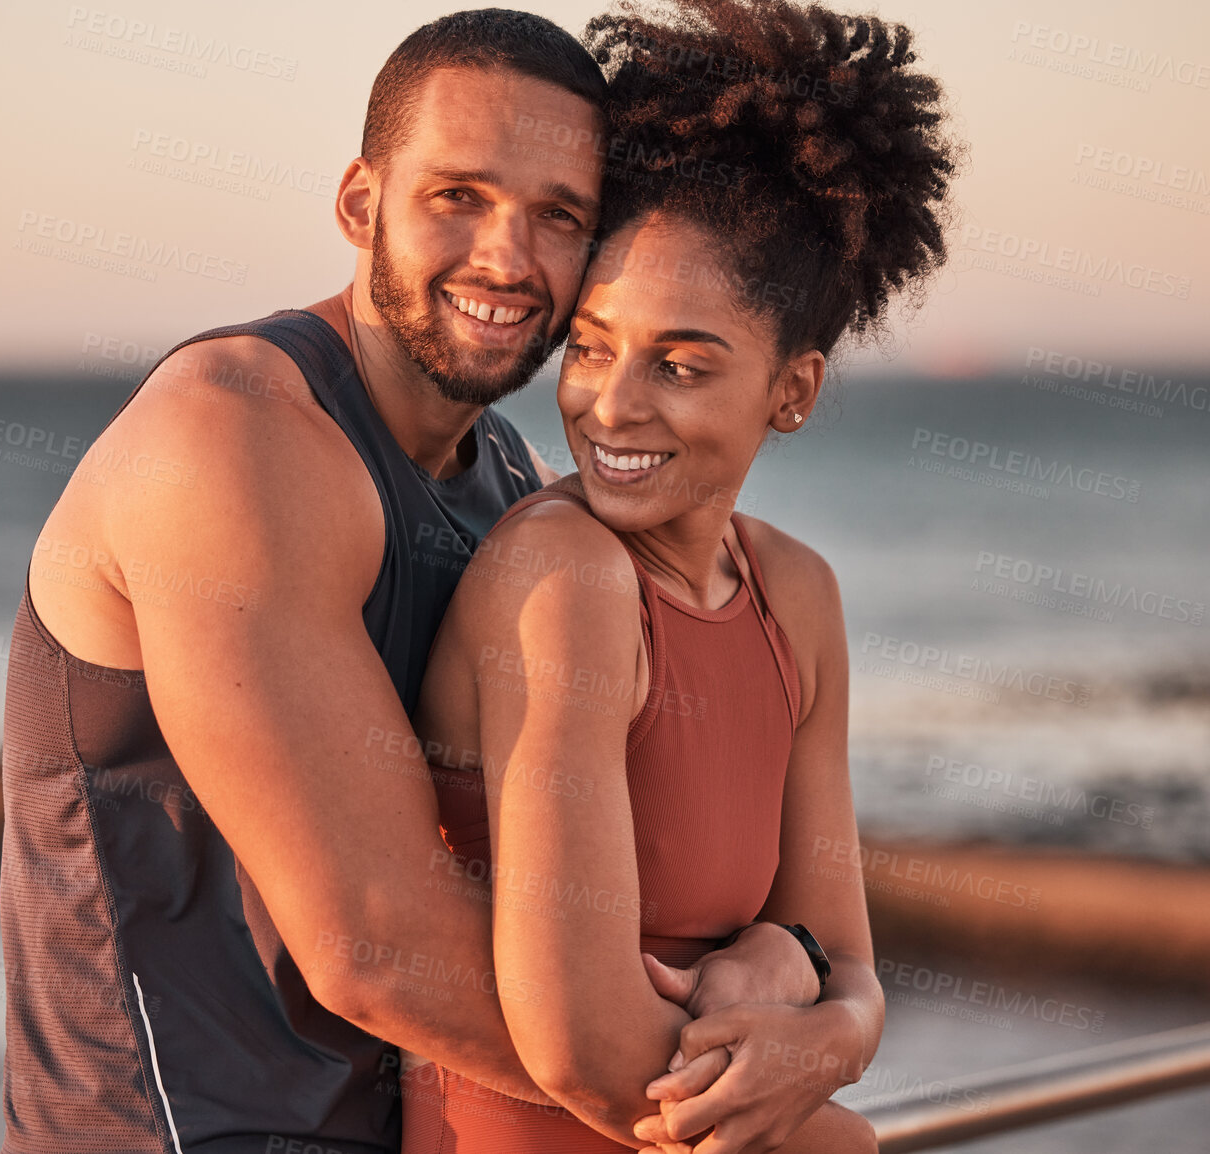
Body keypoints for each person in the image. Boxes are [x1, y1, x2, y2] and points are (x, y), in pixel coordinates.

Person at [0, 10, 836, 1153]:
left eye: (558, 216)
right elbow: (373, 942)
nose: (506, 256)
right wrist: (767, 1098)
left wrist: (800, 966)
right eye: (458, 197)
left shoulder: (514, 487)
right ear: (361, 203)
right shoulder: (229, 439)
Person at [400, 1, 958, 1150]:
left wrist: (804, 979)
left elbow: (851, 968)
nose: (611, 404)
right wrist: (831, 1094)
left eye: (682, 364)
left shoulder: (796, 600)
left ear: (791, 392)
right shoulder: (563, 576)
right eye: (592, 344)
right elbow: (587, 1051)